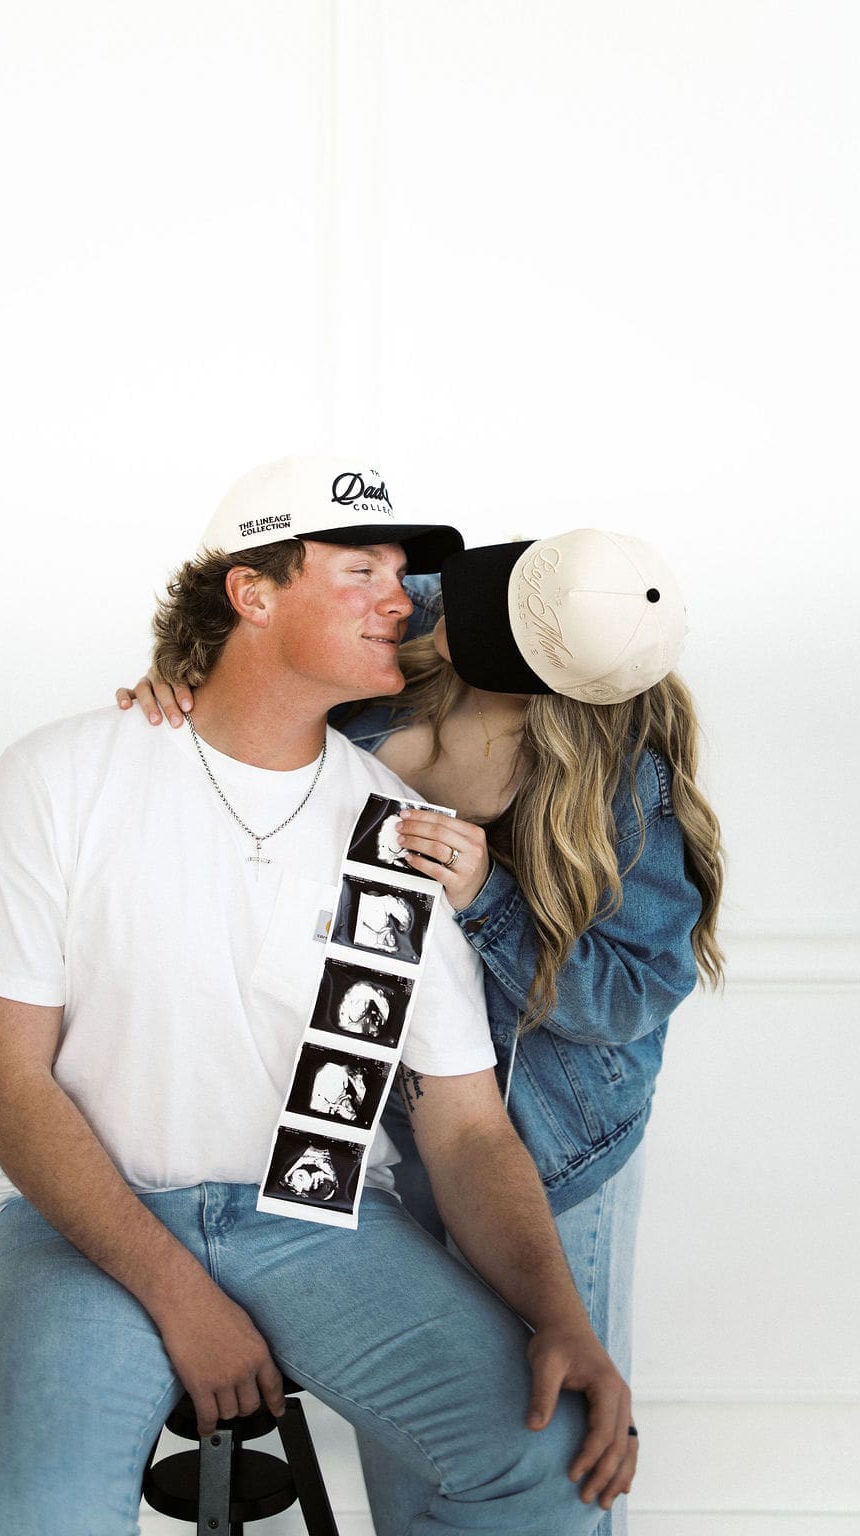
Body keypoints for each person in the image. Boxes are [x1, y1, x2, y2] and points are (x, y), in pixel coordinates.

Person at [0, 457, 638, 1536]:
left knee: (545, 1452)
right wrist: (182, 1298)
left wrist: (562, 1319)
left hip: (317, 1221)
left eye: (400, 572)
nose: (400, 600)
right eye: (360, 570)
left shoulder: (398, 828)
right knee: (31, 1523)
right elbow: (0, 1084)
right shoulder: (61, 777)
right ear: (251, 593)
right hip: (82, 1222)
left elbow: (466, 1128)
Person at [122, 522, 725, 1536]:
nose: (420, 602)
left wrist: (489, 899)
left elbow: (629, 996)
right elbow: (265, 637)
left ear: (531, 668)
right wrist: (180, 682)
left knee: (556, 1438)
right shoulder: (430, 621)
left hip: (543, 1139)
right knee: (427, 1440)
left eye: (462, 605)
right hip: (366, 1119)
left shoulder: (624, 784)